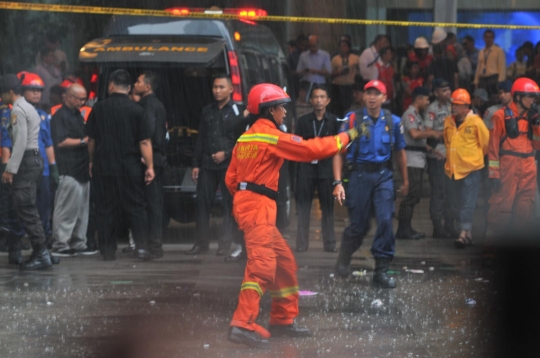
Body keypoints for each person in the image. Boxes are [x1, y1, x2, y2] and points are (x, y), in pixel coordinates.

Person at [225, 83, 356, 348]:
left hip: (251, 205)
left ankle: (282, 320)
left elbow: (231, 179)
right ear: (270, 110)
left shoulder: (245, 138)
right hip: (259, 206)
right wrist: (347, 136)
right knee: (262, 266)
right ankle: (242, 324)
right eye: (282, 109)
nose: (284, 114)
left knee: (283, 264)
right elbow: (311, 150)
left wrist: (245, 199)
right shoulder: (271, 136)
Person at [333, 80, 409, 288]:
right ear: (363, 97)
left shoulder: (393, 121)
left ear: (385, 98)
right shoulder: (352, 119)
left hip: (384, 176)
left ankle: (381, 270)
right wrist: (338, 181)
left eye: (377, 93)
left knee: (385, 220)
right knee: (359, 226)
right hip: (359, 176)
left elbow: (400, 153)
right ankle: (344, 257)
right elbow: (339, 152)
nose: (372, 97)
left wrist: (405, 180)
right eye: (369, 93)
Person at [86, 69, 155, 261]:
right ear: (129, 88)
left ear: (110, 85)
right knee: (137, 207)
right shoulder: (137, 110)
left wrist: (91, 161)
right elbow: (144, 141)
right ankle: (141, 248)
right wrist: (149, 166)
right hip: (130, 167)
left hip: (104, 166)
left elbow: (91, 140)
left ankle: (107, 250)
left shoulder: (99, 109)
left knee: (105, 209)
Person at [0, 74, 55, 270]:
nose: (2, 97)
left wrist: (10, 169)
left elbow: (20, 141)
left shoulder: (17, 110)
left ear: (10, 92)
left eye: (3, 93)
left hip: (26, 159)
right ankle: (43, 251)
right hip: (34, 159)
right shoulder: (29, 107)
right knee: (29, 206)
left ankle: (41, 253)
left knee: (25, 206)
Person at [186, 74, 243, 256]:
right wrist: (195, 163)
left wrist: (225, 153)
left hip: (229, 165)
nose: (217, 91)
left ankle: (224, 245)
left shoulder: (237, 111)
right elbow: (201, 137)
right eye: (215, 87)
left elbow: (243, 140)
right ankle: (201, 243)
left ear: (231, 89)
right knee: (202, 203)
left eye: (221, 87)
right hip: (208, 165)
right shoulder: (207, 111)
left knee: (228, 205)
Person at [486, 78, 540, 238]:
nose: (533, 100)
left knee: (524, 211)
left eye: (535, 97)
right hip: (508, 168)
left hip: (529, 167)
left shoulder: (534, 118)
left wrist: (537, 124)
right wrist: (493, 174)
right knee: (501, 209)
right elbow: (493, 149)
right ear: (518, 97)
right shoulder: (500, 116)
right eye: (530, 96)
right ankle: (491, 252)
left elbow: (538, 146)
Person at [50, 84, 94, 257]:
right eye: (80, 99)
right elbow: (60, 141)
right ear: (68, 97)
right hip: (68, 169)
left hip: (82, 169)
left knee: (82, 211)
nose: (82, 102)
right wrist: (84, 141)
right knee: (66, 210)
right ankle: (60, 245)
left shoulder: (77, 115)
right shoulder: (59, 116)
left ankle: (78, 243)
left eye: (84, 99)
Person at [294, 85, 340, 252]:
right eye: (315, 97)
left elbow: (338, 148)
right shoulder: (303, 121)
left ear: (327, 101)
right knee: (303, 207)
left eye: (322, 97)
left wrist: (338, 178)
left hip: (326, 168)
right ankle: (301, 244)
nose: (319, 100)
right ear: (311, 101)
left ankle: (330, 244)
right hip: (306, 168)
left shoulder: (334, 121)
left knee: (327, 207)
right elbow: (296, 146)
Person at [16, 72, 59, 244]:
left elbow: (48, 143)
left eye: (39, 90)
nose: (37, 93)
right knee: (25, 204)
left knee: (43, 204)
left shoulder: (43, 115)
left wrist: (53, 167)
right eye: (32, 90)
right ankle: (24, 237)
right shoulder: (16, 112)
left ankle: (43, 238)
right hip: (24, 168)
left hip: (43, 170)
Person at [443, 89, 489, 248]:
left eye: (457, 104)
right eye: (452, 104)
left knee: (468, 203)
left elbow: (485, 144)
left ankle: (463, 233)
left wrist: (472, 159)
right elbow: (447, 143)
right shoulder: (448, 121)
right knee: (455, 203)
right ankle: (468, 232)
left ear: (466, 106)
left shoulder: (476, 122)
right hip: (453, 170)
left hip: (471, 170)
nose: (453, 107)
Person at [132, 71, 167, 259]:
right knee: (154, 203)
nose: (134, 83)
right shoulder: (157, 104)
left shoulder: (147, 106)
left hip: (151, 159)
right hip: (157, 158)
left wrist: (147, 161)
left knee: (150, 204)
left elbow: (148, 134)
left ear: (147, 87)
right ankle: (153, 244)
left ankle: (152, 246)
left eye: (138, 81)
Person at [396, 86, 437, 240]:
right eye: (426, 99)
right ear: (418, 99)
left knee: (415, 194)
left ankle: (406, 228)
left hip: (418, 159)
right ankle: (403, 229)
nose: (428, 102)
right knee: (412, 195)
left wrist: (430, 149)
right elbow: (414, 134)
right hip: (411, 160)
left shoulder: (417, 116)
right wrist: (432, 133)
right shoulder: (410, 115)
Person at [425, 78, 454, 238]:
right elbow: (428, 131)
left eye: (448, 89)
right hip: (438, 155)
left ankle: (450, 224)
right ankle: (437, 226)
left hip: (452, 155)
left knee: (451, 191)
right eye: (443, 90)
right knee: (438, 191)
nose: (448, 93)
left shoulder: (453, 106)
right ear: (436, 93)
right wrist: (443, 135)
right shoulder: (432, 109)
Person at [330, 39, 359, 117]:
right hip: (338, 86)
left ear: (348, 48)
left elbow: (359, 69)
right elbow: (330, 73)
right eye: (340, 46)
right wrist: (339, 73)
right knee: (337, 107)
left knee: (349, 106)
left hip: (349, 85)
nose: (342, 48)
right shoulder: (335, 59)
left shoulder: (355, 58)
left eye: (344, 46)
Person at [474, 30, 506, 97]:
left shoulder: (499, 50)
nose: (488, 39)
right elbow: (479, 67)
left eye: (490, 37)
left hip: (493, 78)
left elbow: (502, 67)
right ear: (484, 38)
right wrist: (476, 81)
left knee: (493, 99)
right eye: (487, 37)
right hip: (482, 78)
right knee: (482, 100)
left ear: (493, 38)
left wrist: (500, 82)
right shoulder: (482, 51)